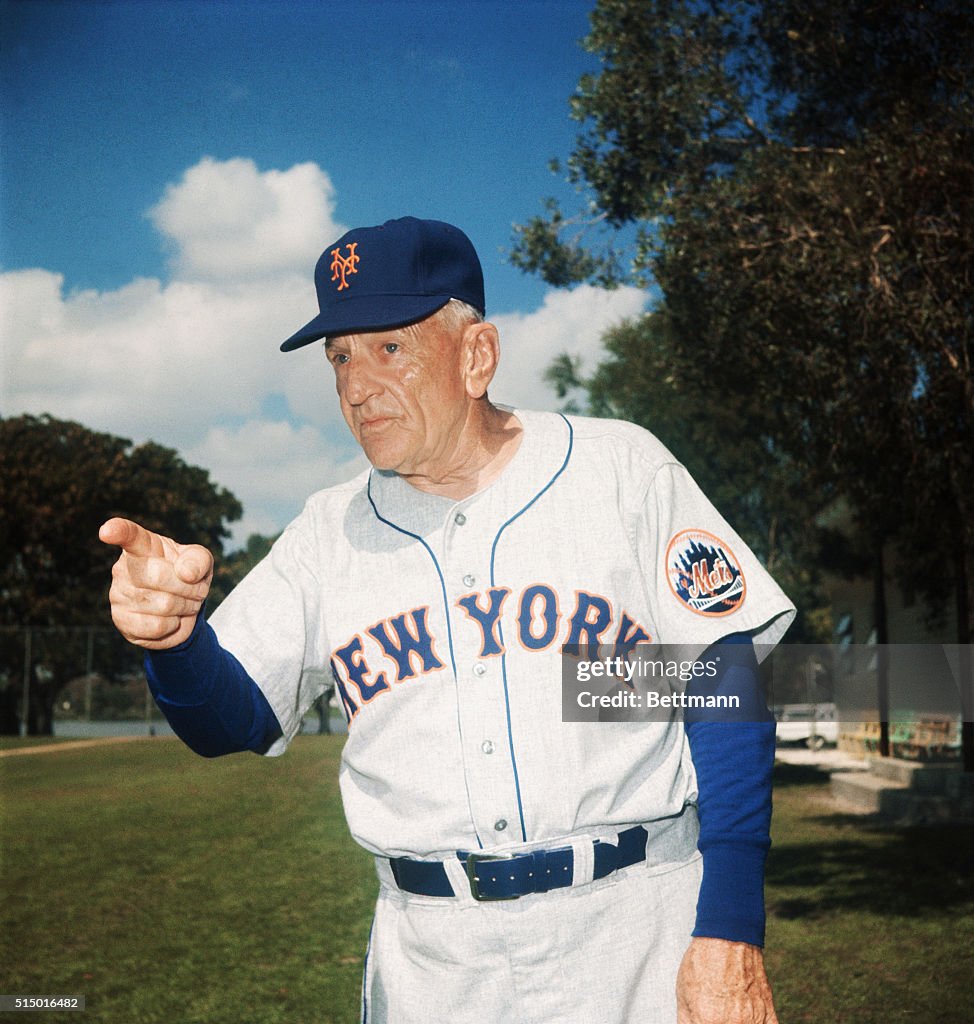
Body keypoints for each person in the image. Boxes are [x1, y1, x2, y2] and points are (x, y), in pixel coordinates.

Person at [100, 216, 794, 1024]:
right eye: (339, 357)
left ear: (476, 356)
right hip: (433, 963)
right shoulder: (330, 531)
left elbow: (718, 680)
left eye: (388, 348)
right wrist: (174, 641)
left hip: (636, 930)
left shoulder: (619, 470)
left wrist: (733, 930)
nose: (356, 387)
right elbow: (234, 718)